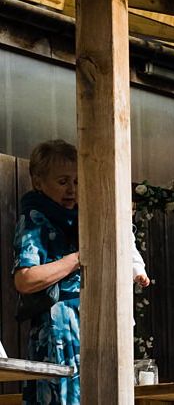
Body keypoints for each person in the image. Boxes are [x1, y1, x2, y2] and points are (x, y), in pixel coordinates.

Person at [13, 140, 81, 405]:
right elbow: (25, 279)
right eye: (63, 181)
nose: (71, 190)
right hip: (57, 330)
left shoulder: (82, 218)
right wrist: (77, 259)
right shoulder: (34, 218)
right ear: (39, 182)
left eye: (76, 181)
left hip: (86, 327)